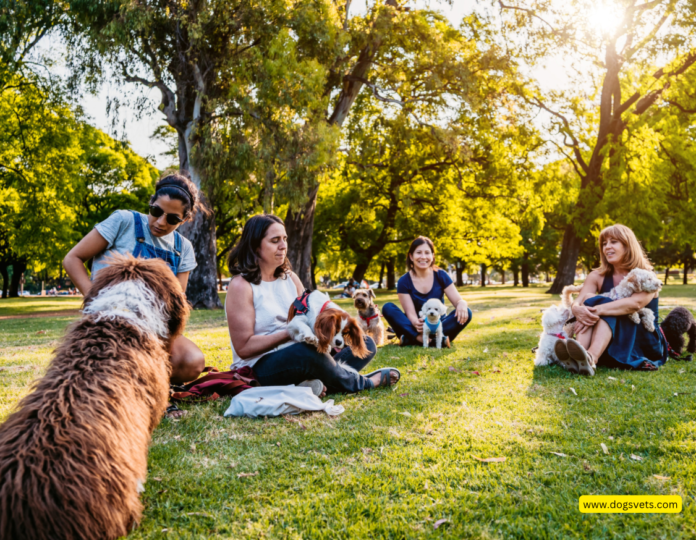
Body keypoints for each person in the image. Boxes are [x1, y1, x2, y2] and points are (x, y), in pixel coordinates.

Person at [226, 214, 400, 394]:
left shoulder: (290, 278)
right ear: (255, 246)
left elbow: (311, 316)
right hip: (261, 366)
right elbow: (244, 348)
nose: (283, 245)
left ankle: (312, 385)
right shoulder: (241, 285)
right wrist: (289, 332)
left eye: (284, 239)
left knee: (365, 343)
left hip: (302, 352)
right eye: (275, 240)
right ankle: (364, 383)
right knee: (307, 353)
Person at [63, 171, 206, 386]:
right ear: (150, 202)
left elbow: (176, 301)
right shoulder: (124, 221)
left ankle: (152, 388)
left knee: (192, 361)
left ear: (185, 219)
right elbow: (72, 258)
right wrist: (95, 299)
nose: (160, 222)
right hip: (109, 319)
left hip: (151, 326)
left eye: (173, 218)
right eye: (156, 211)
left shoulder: (183, 248)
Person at [556, 224, 667, 376]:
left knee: (602, 304)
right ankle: (578, 353)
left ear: (627, 246)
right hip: (609, 338)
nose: (607, 247)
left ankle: (591, 358)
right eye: (604, 243)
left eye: (613, 242)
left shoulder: (646, 276)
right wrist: (577, 309)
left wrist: (596, 309)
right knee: (589, 301)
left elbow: (634, 304)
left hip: (642, 340)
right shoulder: (596, 276)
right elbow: (580, 300)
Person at [382, 236, 472, 346]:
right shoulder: (403, 281)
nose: (423, 257)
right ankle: (422, 338)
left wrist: (462, 303)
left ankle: (412, 339)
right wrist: (415, 323)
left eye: (427, 253)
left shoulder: (441, 275)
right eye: (419, 252)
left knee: (467, 312)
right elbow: (410, 313)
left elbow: (458, 301)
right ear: (411, 256)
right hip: (416, 327)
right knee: (388, 307)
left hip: (439, 325)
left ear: (432, 256)